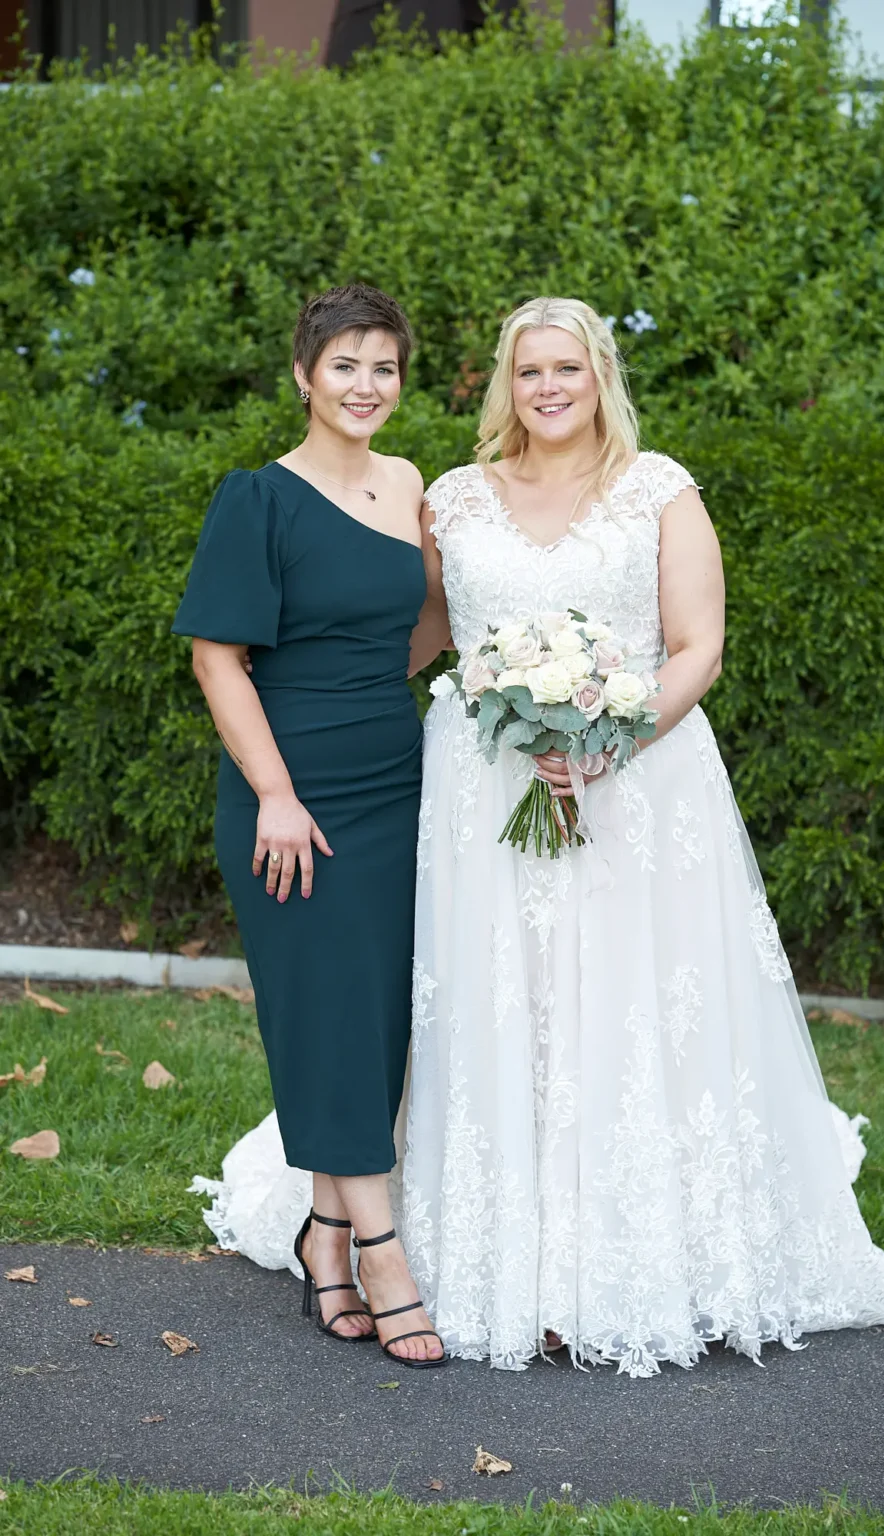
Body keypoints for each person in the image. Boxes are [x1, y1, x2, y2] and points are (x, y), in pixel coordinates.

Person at [398, 295, 884, 1375]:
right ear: (507, 382)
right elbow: (423, 635)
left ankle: (627, 1256)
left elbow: (696, 646)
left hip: (636, 786)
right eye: (529, 371)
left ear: (600, 379)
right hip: (479, 789)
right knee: (508, 1001)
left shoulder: (658, 492)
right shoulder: (451, 499)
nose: (548, 389)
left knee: (624, 1003)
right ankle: (502, 1256)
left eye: (568, 371)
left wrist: (604, 741)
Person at [173, 283, 446, 1368]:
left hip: (396, 776)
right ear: (303, 375)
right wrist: (277, 794)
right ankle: (381, 1250)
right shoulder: (259, 499)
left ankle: (323, 1232)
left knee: (379, 1020)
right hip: (290, 794)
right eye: (345, 365)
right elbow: (216, 657)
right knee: (329, 1013)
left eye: (384, 366)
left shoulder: (409, 484)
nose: (366, 386)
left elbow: (418, 631)